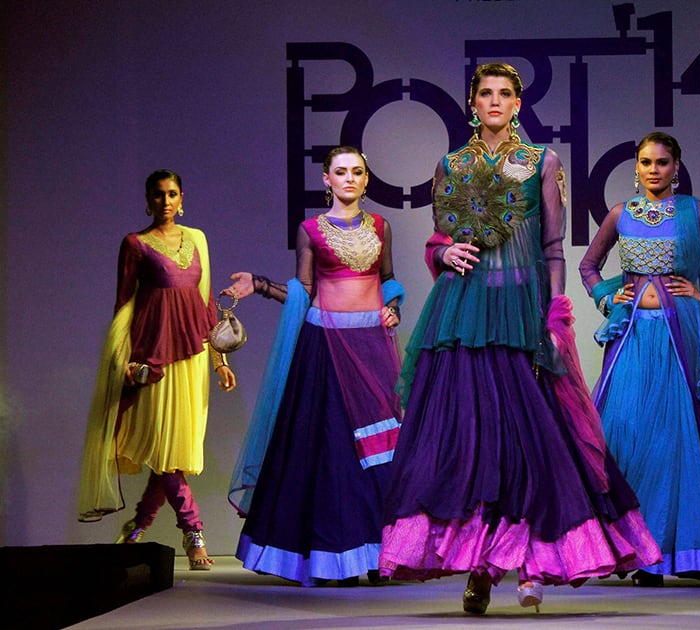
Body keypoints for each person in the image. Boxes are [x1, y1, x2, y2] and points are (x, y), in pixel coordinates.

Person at [378, 62, 661, 614]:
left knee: (532, 441)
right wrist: (441, 253)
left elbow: (553, 247)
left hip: (520, 312)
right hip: (465, 313)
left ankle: (532, 563)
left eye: (505, 93)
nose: (495, 101)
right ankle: (480, 571)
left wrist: (556, 317)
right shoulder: (451, 164)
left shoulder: (541, 163)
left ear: (518, 103)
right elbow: (439, 236)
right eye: (485, 93)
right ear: (472, 102)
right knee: (471, 441)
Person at [579, 132, 700, 585]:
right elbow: (589, 265)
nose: (653, 169)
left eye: (662, 162)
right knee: (625, 436)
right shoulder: (621, 214)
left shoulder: (692, 211)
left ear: (677, 166)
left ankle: (678, 555)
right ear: (635, 168)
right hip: (634, 338)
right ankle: (636, 552)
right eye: (645, 162)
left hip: (680, 339)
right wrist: (606, 297)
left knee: (678, 442)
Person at [226, 146, 404, 586]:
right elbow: (304, 290)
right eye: (340, 172)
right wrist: (263, 286)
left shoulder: (382, 226)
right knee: (333, 453)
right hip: (326, 347)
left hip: (371, 348)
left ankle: (379, 555)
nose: (349, 179)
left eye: (357, 172)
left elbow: (387, 280)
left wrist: (394, 305)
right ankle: (333, 559)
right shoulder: (311, 229)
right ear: (326, 179)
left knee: (378, 450)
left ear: (366, 180)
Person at [78, 169, 237, 571]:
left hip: (193, 358)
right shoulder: (135, 244)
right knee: (166, 455)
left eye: (172, 195)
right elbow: (123, 305)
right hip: (153, 359)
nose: (165, 202)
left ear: (181, 198)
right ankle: (194, 531)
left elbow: (204, 305)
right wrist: (125, 362)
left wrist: (218, 360)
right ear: (148, 200)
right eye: (158, 195)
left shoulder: (197, 239)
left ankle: (136, 527)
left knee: (174, 453)